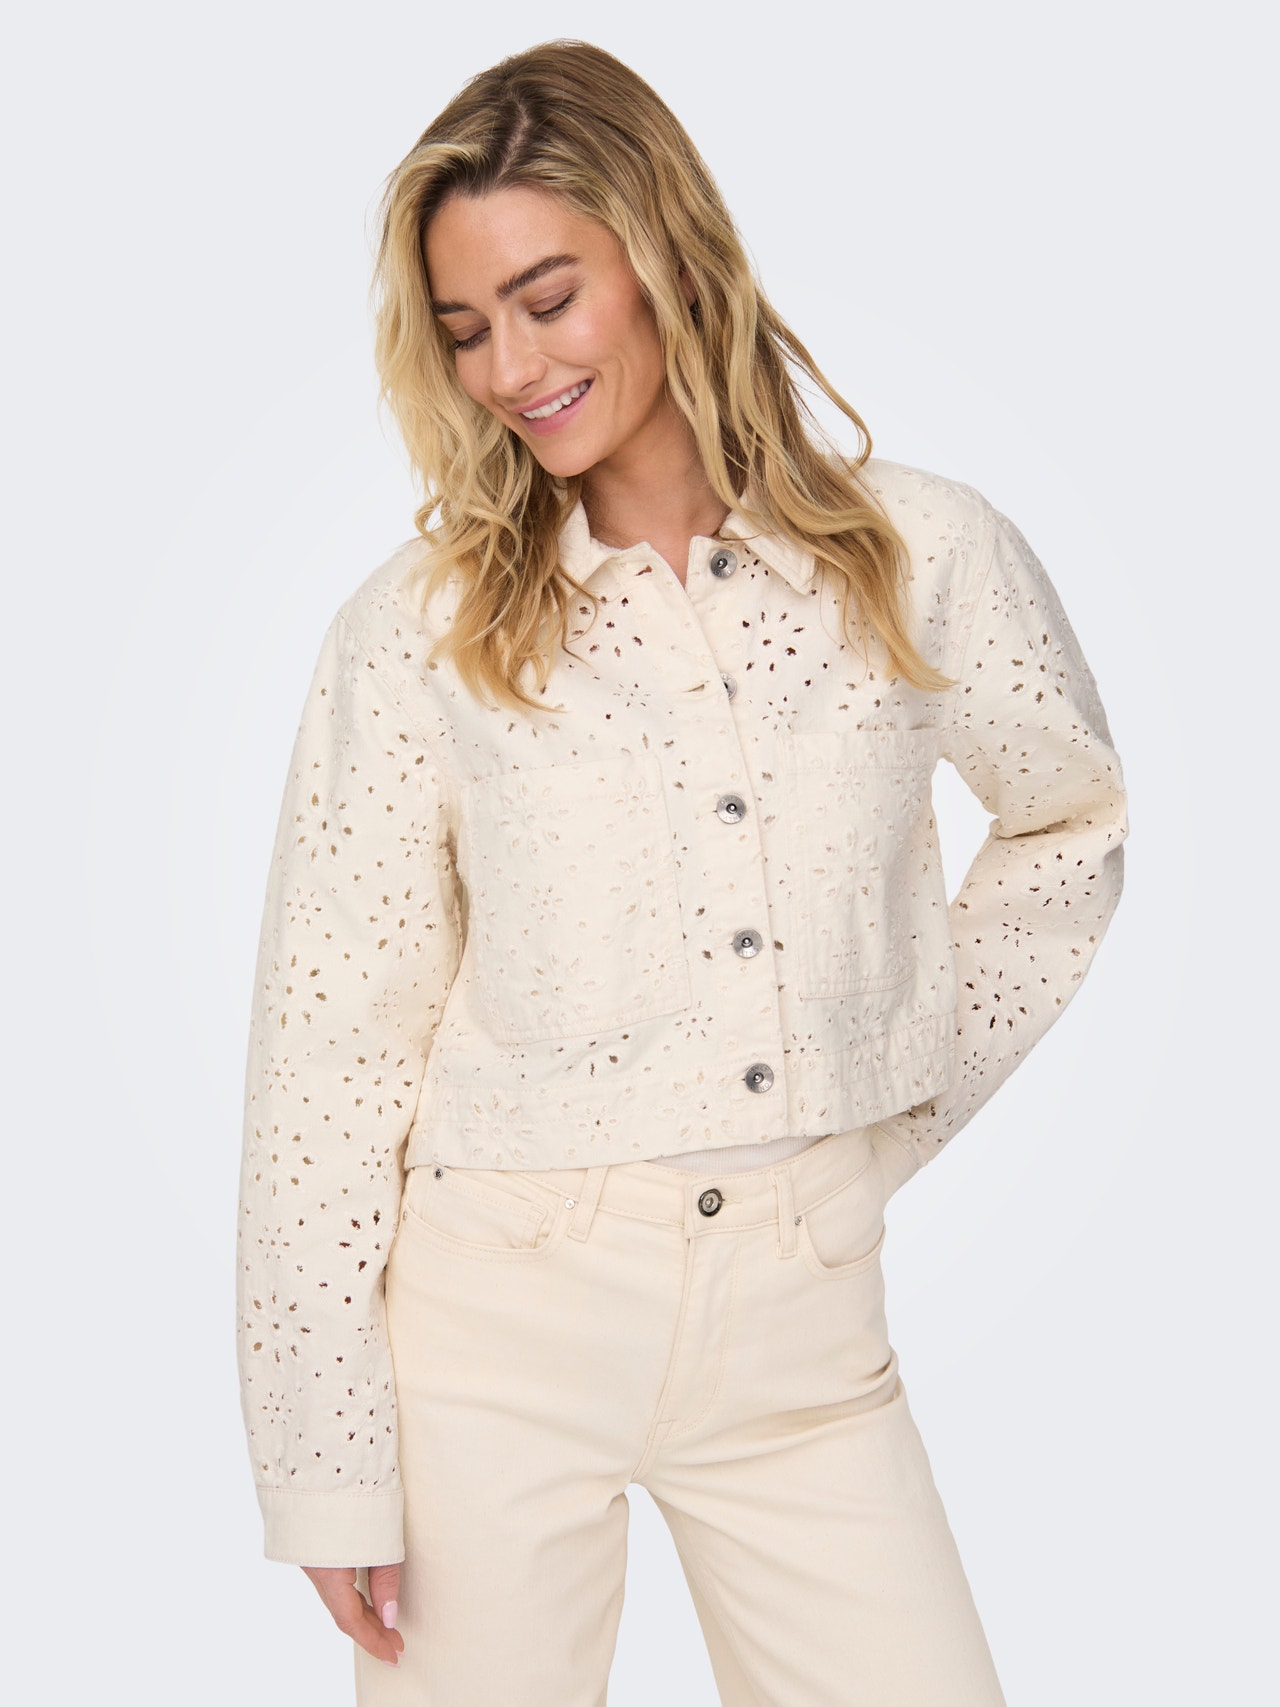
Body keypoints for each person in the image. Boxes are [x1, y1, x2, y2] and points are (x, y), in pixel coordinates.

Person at [235, 37, 1128, 1706]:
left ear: (665, 254)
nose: (511, 367)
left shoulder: (923, 554)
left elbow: (1068, 822)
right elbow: (330, 1044)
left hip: (803, 1328)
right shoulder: (420, 632)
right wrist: (326, 1455)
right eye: (466, 328)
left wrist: (895, 1102)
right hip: (493, 1329)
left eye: (548, 298)